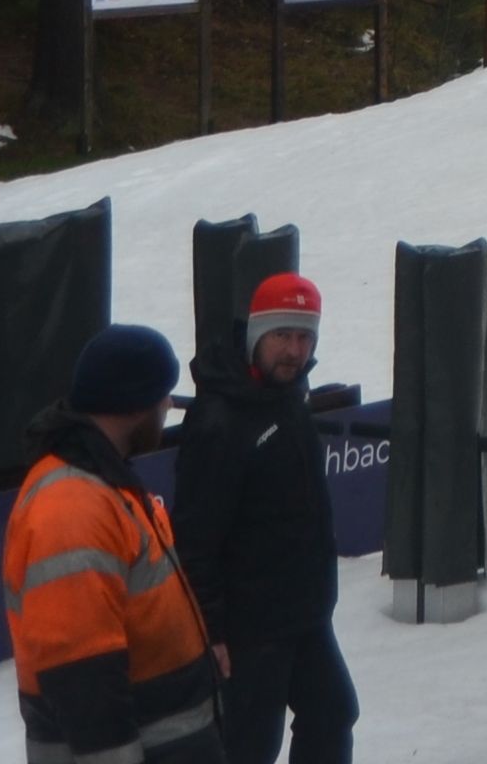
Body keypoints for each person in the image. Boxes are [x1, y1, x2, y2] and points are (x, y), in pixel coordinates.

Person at [4, 325, 221, 764]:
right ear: (136, 405)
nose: (169, 405)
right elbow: (81, 672)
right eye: (163, 395)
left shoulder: (101, 479)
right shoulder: (72, 505)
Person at [175, 273, 357, 764]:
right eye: (282, 335)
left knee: (334, 712)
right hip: (248, 626)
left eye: (304, 337)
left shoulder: (288, 393)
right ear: (257, 334)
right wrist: (211, 632)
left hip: (305, 613)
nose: (294, 351)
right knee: (251, 747)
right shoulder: (220, 419)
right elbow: (195, 537)